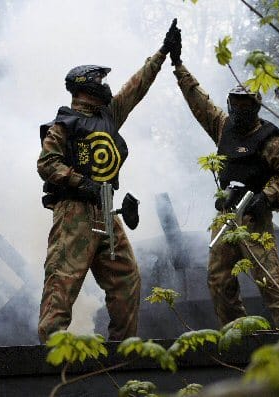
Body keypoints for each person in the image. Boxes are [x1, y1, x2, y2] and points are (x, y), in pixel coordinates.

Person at [36, 21, 181, 342]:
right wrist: (79, 182)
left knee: (127, 278)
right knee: (63, 282)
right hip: (74, 213)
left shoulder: (108, 116)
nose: (106, 85)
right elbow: (47, 164)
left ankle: (121, 349)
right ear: (87, 86)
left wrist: (161, 54)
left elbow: (135, 87)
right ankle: (47, 359)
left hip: (105, 211)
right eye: (100, 80)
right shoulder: (63, 125)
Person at [168, 28, 279, 330]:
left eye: (246, 107)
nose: (240, 112)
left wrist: (265, 197)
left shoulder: (269, 139)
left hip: (255, 218)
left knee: (270, 281)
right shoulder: (223, 127)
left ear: (256, 108)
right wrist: (178, 65)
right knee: (218, 280)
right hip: (226, 216)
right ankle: (239, 335)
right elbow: (198, 100)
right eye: (236, 105)